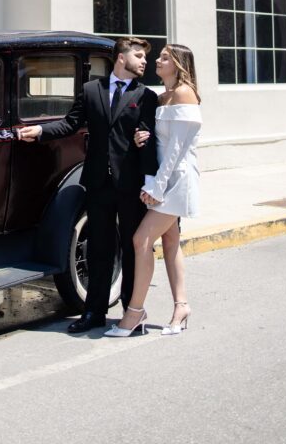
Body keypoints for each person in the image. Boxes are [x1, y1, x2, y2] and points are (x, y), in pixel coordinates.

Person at [18, 37, 158, 332]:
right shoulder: (91, 90)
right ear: (121, 57)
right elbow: (71, 123)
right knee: (99, 248)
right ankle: (94, 312)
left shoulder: (146, 96)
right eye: (138, 55)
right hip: (97, 181)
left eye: (146, 57)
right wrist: (41, 130)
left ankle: (131, 313)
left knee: (132, 250)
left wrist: (144, 147)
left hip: (131, 185)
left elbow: (150, 135)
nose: (144, 61)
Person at [105, 43, 202, 338]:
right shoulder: (162, 97)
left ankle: (135, 312)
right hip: (162, 179)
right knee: (171, 242)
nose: (156, 61)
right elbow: (160, 143)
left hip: (177, 181)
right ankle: (181, 306)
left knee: (140, 240)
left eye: (163, 58)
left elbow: (177, 149)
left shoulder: (185, 93)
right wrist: (142, 137)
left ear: (179, 64)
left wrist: (157, 188)